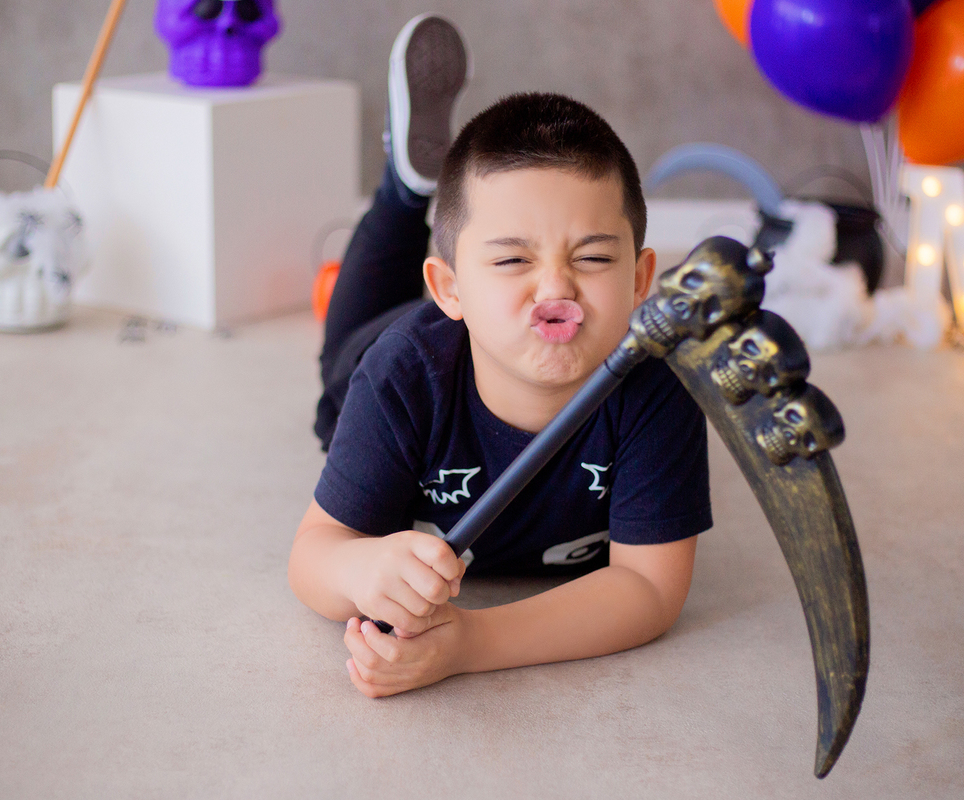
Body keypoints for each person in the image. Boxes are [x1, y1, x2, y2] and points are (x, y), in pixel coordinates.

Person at [288, 13, 711, 698]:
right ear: (448, 288)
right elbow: (312, 555)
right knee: (348, 333)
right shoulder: (401, 375)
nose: (556, 289)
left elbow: (649, 589)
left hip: (466, 324)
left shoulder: (656, 390)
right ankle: (405, 190)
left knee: (440, 287)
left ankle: (437, 208)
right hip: (395, 340)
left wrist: (472, 643)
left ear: (640, 281)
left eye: (595, 257)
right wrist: (360, 570)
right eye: (514, 258)